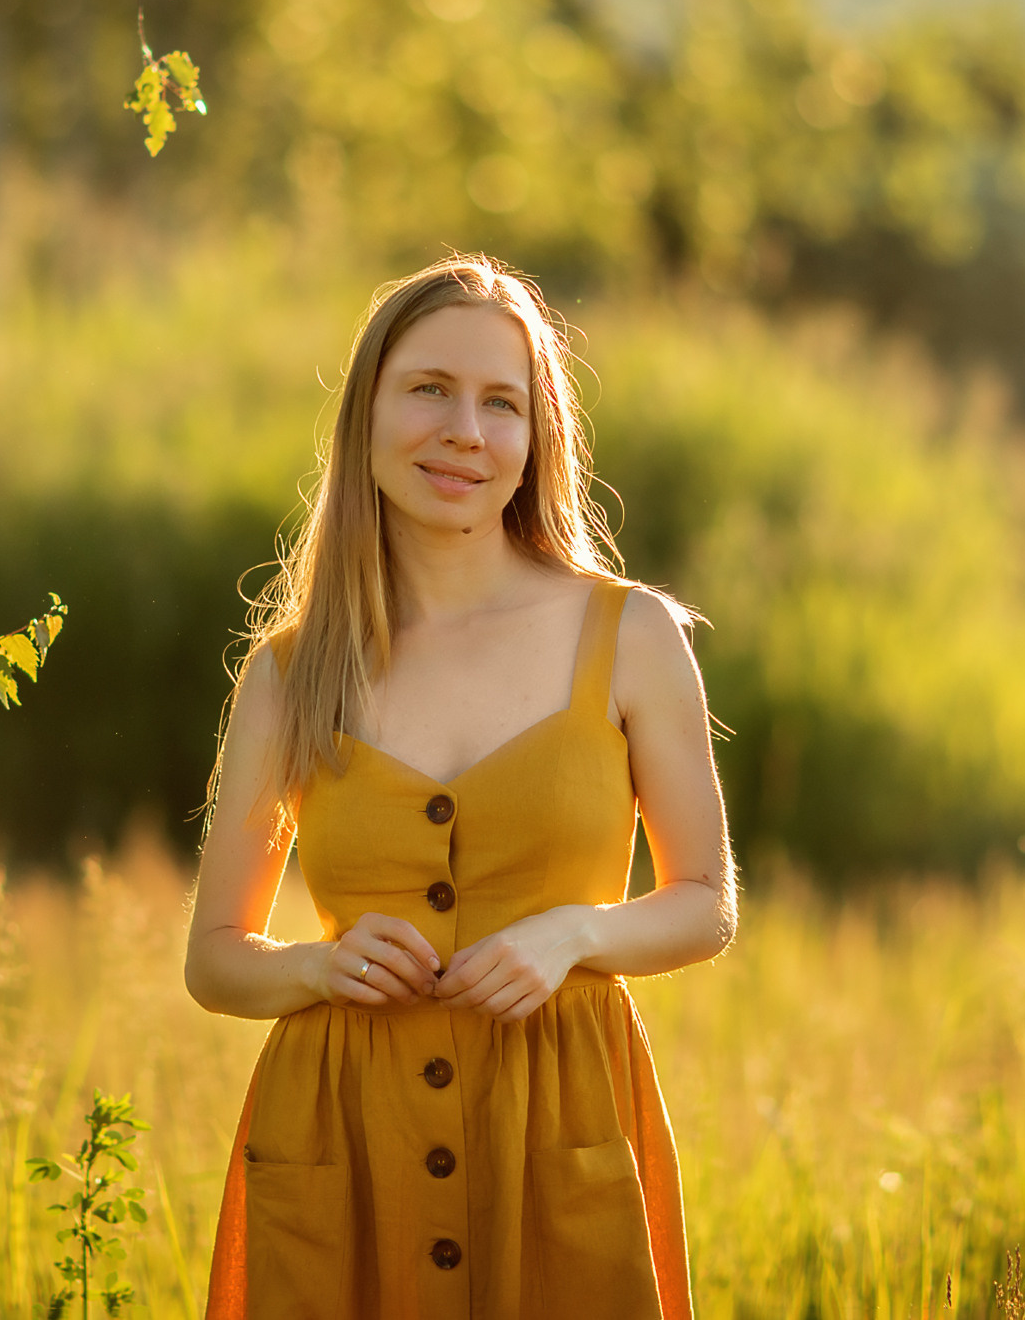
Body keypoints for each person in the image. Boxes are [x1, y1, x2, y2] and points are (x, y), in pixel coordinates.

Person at [184, 255, 737, 1320]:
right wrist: (316, 964)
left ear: (536, 441)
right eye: (428, 389)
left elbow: (704, 902)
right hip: (342, 1141)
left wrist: (570, 934)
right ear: (367, 414)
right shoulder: (290, 670)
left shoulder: (627, 634)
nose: (465, 434)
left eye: (501, 404)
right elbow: (214, 959)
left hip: (560, 1119)